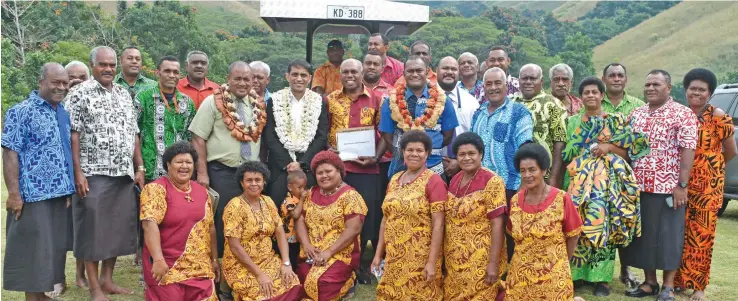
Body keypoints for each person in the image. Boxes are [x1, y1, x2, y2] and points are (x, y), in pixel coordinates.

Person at [66, 46, 143, 301]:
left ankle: (108, 280)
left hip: (123, 173)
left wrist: (139, 166)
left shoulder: (123, 94)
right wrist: (78, 172)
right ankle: (94, 288)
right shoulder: (79, 93)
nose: (108, 69)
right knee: (93, 229)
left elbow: (134, 133)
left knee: (116, 228)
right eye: (102, 64)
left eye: (111, 64)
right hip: (93, 172)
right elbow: (73, 135)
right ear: (93, 65)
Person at [563, 77, 649, 296]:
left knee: (603, 226)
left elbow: (629, 153)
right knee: (576, 227)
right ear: (580, 97)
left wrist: (608, 147)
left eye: (595, 92)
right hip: (576, 184)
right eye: (586, 92)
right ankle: (575, 276)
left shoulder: (615, 120)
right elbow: (567, 153)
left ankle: (601, 279)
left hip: (606, 186)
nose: (590, 95)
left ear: (602, 96)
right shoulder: (572, 122)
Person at [623, 70, 698, 301]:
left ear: (669, 87)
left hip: (668, 189)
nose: (650, 88)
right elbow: (628, 148)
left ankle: (668, 286)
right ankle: (650, 282)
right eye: (647, 84)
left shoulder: (682, 114)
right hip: (639, 187)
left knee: (669, 237)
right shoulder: (636, 114)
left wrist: (682, 185)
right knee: (644, 237)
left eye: (656, 84)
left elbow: (688, 150)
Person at [2, 63, 74, 301]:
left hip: (59, 194)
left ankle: (42, 295)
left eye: (64, 83)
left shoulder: (61, 112)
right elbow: (10, 152)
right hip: (32, 195)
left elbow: (63, 151)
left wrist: (67, 189)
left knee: (51, 250)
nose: (61, 87)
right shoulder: (20, 111)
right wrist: (14, 193)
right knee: (32, 252)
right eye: (56, 82)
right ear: (41, 82)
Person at [189, 61, 266, 270]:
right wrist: (202, 173)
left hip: (250, 174)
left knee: (249, 220)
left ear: (253, 81)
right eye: (237, 78)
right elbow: (198, 137)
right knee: (224, 221)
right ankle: (222, 270)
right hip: (222, 172)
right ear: (228, 79)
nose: (242, 83)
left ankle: (246, 265)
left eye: (247, 79)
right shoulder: (213, 101)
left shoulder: (257, 103)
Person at [675, 68, 737, 301]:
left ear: (710, 93)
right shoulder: (679, 114)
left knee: (701, 235)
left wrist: (709, 167)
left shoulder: (719, 116)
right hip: (680, 184)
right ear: (686, 90)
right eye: (693, 89)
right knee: (679, 233)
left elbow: (730, 151)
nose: (697, 93)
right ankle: (679, 281)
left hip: (708, 189)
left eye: (702, 90)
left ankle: (699, 286)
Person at [326, 58, 387, 284]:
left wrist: (376, 157)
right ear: (339, 75)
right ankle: (339, 260)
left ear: (362, 74)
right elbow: (323, 130)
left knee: (366, 216)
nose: (349, 75)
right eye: (345, 72)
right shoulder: (330, 100)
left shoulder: (378, 99)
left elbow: (385, 133)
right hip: (337, 170)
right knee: (337, 216)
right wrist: (328, 149)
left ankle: (361, 264)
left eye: (354, 71)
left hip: (366, 169)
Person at [139, 141, 219, 301]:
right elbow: (149, 225)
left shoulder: (202, 192)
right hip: (167, 267)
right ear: (168, 164)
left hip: (199, 269)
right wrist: (158, 260)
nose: (184, 166)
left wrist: (214, 260)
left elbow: (210, 228)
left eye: (188, 162)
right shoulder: (156, 189)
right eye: (179, 162)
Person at [371, 130, 446, 300]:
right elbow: (385, 219)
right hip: (394, 255)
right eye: (409, 150)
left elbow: (438, 225)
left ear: (427, 154)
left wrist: (432, 262)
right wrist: (377, 255)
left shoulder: (433, 181)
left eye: (419, 150)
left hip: (420, 256)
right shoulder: (395, 179)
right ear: (403, 152)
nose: (414, 154)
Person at [504, 143, 582, 301]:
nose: (527, 175)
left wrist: (561, 265)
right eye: (523, 171)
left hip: (553, 279)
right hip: (520, 279)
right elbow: (513, 235)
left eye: (532, 169)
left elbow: (573, 236)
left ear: (544, 170)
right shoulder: (515, 201)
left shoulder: (561, 198)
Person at [471, 67, 533, 261]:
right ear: (483, 87)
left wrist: (523, 188)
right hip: (481, 188)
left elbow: (526, 150)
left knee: (511, 235)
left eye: (498, 83)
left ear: (506, 86)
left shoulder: (518, 112)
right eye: (488, 84)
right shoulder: (478, 113)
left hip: (509, 186)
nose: (493, 88)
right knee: (485, 235)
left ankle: (511, 283)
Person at [222, 161, 304, 301]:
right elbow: (234, 246)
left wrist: (286, 263)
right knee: (265, 294)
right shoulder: (234, 206)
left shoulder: (267, 201)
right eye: (249, 180)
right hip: (241, 265)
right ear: (242, 183)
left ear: (264, 182)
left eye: (258, 180)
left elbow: (279, 233)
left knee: (293, 284)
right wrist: (259, 274)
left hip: (268, 260)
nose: (254, 184)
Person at [294, 151, 368, 300]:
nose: (324, 175)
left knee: (322, 283)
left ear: (339, 171)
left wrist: (329, 252)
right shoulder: (311, 193)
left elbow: (354, 229)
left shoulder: (350, 196)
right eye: (319, 173)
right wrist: (307, 244)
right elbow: (299, 219)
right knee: (299, 279)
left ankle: (350, 280)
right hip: (311, 251)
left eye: (328, 171)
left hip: (339, 253)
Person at [443, 132, 507, 301]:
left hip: (480, 257)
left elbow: (497, 224)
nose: (467, 158)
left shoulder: (492, 181)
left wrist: (493, 263)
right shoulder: (456, 179)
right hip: (454, 257)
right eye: (462, 154)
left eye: (472, 153)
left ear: (481, 154)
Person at [47, 61, 89, 297]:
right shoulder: (54, 106)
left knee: (83, 227)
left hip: (86, 174)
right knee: (60, 230)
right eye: (70, 78)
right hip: (59, 178)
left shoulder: (92, 102)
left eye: (82, 77)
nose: (75, 82)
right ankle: (58, 278)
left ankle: (81, 274)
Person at [600, 62, 644, 286]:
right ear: (604, 79)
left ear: (626, 79)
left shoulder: (638, 106)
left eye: (620, 75)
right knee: (602, 223)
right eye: (612, 75)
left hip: (626, 176)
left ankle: (625, 270)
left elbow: (641, 144)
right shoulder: (596, 101)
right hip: (598, 177)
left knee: (624, 223)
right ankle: (601, 274)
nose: (616, 79)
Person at [379, 55, 458, 178]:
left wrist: (427, 151)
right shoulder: (390, 102)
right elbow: (387, 138)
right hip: (402, 168)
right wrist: (406, 155)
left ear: (426, 72)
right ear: (403, 73)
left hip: (434, 167)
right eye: (410, 71)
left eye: (419, 70)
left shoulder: (443, 100)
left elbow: (448, 136)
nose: (414, 74)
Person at [263, 59, 329, 206]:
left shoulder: (319, 101)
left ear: (310, 78)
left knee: (308, 210)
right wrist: (288, 163)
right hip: (281, 167)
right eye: (295, 74)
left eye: (303, 75)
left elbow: (321, 136)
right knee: (279, 210)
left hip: (307, 167)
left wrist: (302, 163)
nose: (299, 79)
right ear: (287, 76)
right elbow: (270, 135)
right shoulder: (274, 100)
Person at [136, 55, 196, 182]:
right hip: (151, 170)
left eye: (175, 72)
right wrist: (140, 167)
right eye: (167, 71)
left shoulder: (188, 102)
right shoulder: (143, 99)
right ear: (158, 72)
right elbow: (133, 134)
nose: (172, 75)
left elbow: (191, 138)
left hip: (179, 172)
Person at [513, 63, 567, 188]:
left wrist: (553, 177)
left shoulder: (553, 103)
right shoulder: (511, 103)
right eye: (524, 78)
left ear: (541, 81)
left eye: (532, 78)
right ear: (519, 80)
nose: (528, 82)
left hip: (543, 175)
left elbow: (560, 142)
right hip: (515, 175)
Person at [436, 56, 479, 180]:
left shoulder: (470, 102)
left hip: (464, 167)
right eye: (445, 68)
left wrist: (459, 162)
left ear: (458, 73)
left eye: (453, 69)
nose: (449, 72)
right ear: (437, 70)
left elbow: (474, 136)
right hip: (431, 165)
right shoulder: (425, 98)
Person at [281, 170, 308, 271]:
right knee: (291, 259)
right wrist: (301, 199)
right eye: (299, 187)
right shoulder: (289, 200)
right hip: (288, 238)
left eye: (304, 187)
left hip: (296, 237)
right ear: (290, 187)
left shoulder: (297, 198)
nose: (302, 190)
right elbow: (295, 215)